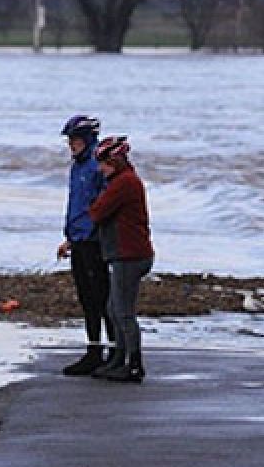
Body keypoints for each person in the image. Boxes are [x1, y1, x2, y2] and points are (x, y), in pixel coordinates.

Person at [88, 135, 154, 383]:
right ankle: (119, 357)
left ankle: (134, 363)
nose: (99, 169)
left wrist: (94, 203)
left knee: (123, 312)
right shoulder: (124, 180)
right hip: (126, 254)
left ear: (114, 161)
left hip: (130, 255)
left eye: (102, 164)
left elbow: (97, 212)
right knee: (113, 308)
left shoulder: (123, 183)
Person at [56, 115, 115, 376]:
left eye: (75, 139)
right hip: (78, 240)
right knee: (86, 299)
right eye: (69, 140)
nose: (71, 144)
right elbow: (77, 205)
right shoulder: (77, 167)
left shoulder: (97, 164)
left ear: (88, 139)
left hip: (95, 241)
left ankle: (114, 352)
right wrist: (69, 238)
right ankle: (93, 351)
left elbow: (105, 204)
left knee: (102, 298)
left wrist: (94, 232)